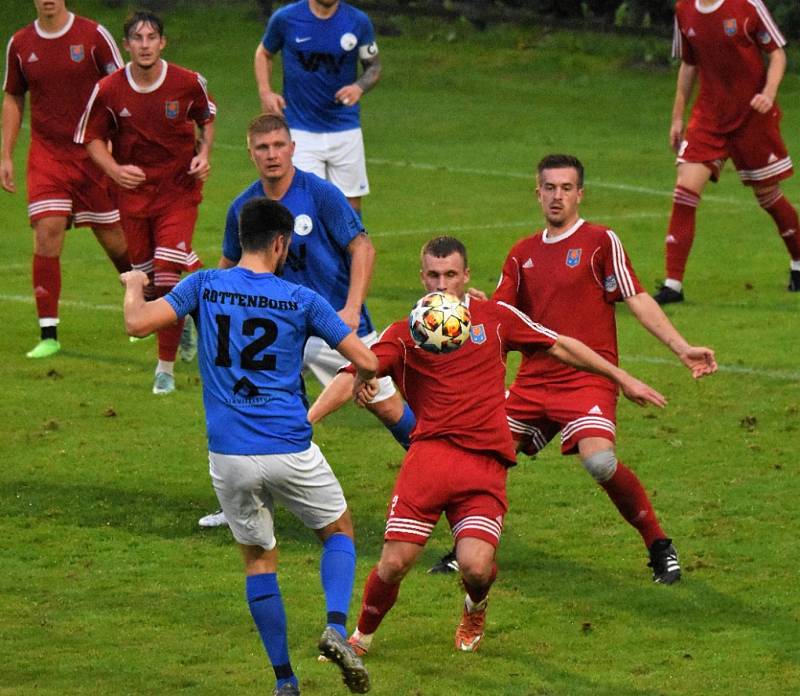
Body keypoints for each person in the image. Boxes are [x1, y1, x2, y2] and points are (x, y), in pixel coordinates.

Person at [312, 235, 668, 656]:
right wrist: (308, 422)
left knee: (476, 568)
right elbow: (354, 369)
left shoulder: (496, 318)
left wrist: (621, 378)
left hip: (484, 465)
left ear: (466, 276)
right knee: (394, 563)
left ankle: (474, 605)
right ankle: (360, 639)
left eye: (450, 275)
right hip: (429, 460)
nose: (441, 285)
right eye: (433, 275)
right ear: (421, 277)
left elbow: (560, 344)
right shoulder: (406, 332)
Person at [120, 197, 374, 696]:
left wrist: (132, 286)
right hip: (289, 446)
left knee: (259, 559)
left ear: (241, 239)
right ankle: (337, 628)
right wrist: (362, 379)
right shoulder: (302, 299)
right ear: (281, 244)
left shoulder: (204, 285)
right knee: (339, 530)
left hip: (229, 456)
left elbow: (138, 323)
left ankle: (284, 682)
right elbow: (364, 355)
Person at [428, 155, 715, 584]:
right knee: (480, 455)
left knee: (599, 462)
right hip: (533, 381)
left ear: (580, 193)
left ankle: (659, 544)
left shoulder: (601, 241)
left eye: (566, 188)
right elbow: (503, 315)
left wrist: (681, 347)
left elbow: (636, 298)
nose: (557, 196)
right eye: (549, 187)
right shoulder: (522, 253)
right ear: (537, 192)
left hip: (588, 378)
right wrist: (478, 306)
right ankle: (468, 545)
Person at [197, 113, 414, 529]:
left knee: (387, 407)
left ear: (293, 148)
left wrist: (351, 308)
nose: (272, 155)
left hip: (334, 324)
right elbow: (229, 265)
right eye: (263, 148)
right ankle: (241, 505)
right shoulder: (243, 208)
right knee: (250, 406)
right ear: (250, 153)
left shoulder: (319, 194)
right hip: (276, 330)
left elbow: (362, 248)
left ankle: (442, 475)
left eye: (279, 145)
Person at [75, 10, 215, 394]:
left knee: (168, 272)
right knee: (149, 283)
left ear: (162, 43)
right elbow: (90, 139)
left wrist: (203, 155)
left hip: (178, 193)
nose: (145, 44)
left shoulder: (187, 82)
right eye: (137, 38)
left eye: (152, 37)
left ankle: (164, 370)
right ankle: (181, 320)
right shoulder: (108, 89)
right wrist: (116, 171)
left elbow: (207, 118)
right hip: (133, 197)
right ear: (127, 46)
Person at [1, 0, 130, 359]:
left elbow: (122, 85)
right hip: (48, 156)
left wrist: (121, 146)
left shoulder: (93, 35)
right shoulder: (21, 44)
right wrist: (5, 154)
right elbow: (13, 96)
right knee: (47, 233)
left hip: (92, 153)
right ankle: (48, 334)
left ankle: (149, 304)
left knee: (116, 242)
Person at [654, 0, 800, 304]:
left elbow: (777, 53)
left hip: (751, 116)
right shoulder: (685, 10)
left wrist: (768, 94)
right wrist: (677, 117)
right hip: (709, 116)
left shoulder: (747, 5)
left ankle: (799, 261)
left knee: (767, 195)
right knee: (685, 189)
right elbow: (689, 64)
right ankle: (672, 285)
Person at [254, 0, 381, 214]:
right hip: (300, 130)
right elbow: (264, 53)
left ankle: (347, 248)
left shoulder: (358, 21)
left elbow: (374, 66)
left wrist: (359, 87)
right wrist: (265, 91)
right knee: (303, 207)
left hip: (345, 127)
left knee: (349, 208)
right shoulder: (286, 18)